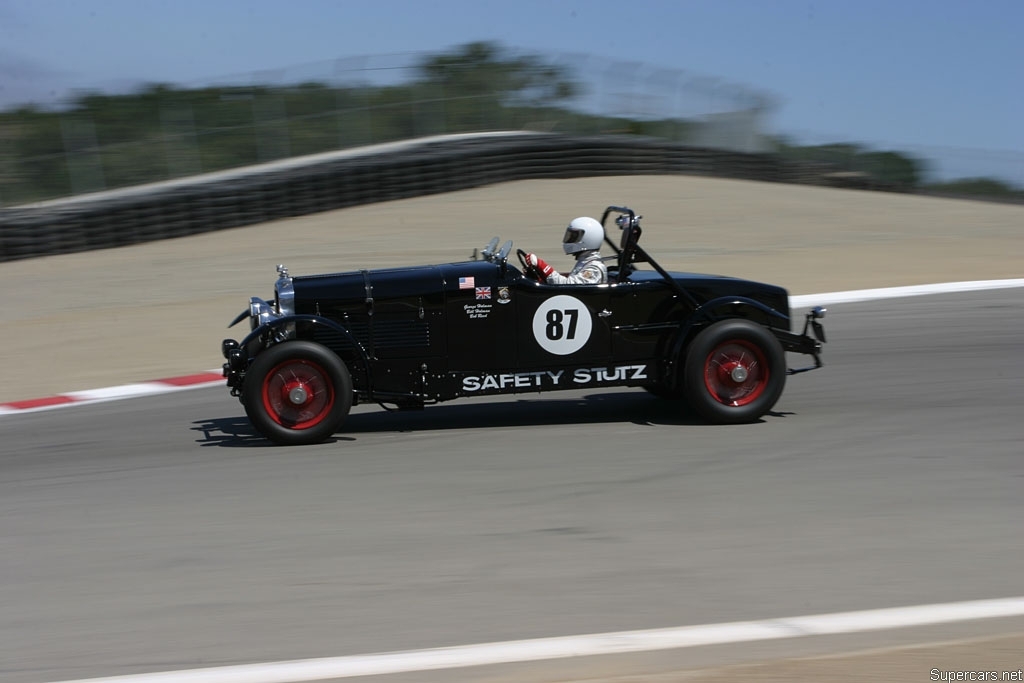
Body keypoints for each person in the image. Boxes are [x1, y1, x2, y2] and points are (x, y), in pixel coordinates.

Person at [523, 216, 608, 285]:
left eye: (574, 237)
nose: (570, 239)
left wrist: (542, 266)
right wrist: (540, 277)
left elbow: (570, 287)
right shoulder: (585, 262)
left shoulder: (594, 268)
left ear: (589, 238)